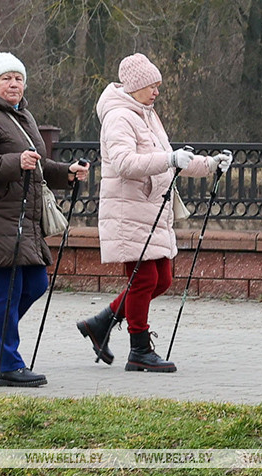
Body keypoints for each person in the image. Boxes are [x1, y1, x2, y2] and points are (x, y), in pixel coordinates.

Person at [76, 53, 233, 373]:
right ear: (135, 85)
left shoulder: (146, 114)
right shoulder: (119, 117)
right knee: (145, 278)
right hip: (128, 210)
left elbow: (171, 158)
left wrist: (211, 164)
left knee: (162, 279)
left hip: (151, 210)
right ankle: (139, 350)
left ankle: (102, 321)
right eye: (152, 85)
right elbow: (125, 163)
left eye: (158, 85)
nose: (157, 91)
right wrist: (169, 160)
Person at [0, 52, 89, 387]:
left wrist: (67, 173)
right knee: (7, 291)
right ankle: (9, 366)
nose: (13, 84)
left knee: (35, 284)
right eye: (6, 78)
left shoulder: (22, 115)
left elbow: (36, 163)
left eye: (18, 78)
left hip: (23, 219)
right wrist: (16, 162)